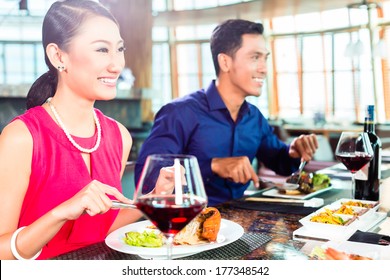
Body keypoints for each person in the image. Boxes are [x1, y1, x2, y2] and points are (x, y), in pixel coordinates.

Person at [0, 0, 143, 260]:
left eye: (119, 49)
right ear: (58, 56)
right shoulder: (21, 138)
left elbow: (100, 231)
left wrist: (152, 201)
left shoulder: (119, 136)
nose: (116, 65)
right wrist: (62, 212)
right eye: (102, 49)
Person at [135, 19, 318, 206]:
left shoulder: (254, 117)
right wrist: (212, 165)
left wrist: (293, 152)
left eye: (265, 58)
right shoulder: (179, 113)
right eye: (255, 57)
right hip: (186, 223)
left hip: (242, 220)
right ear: (225, 62)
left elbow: (280, 161)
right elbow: (147, 178)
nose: (264, 68)